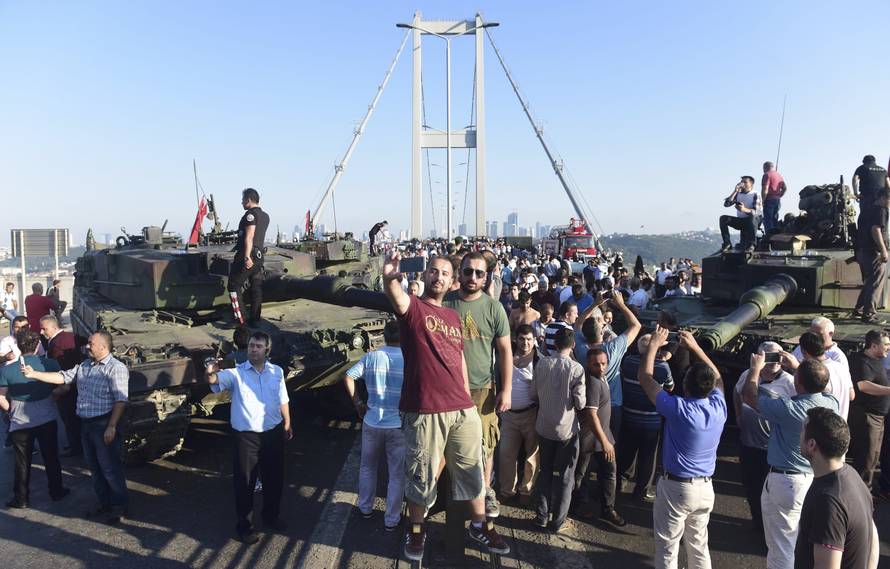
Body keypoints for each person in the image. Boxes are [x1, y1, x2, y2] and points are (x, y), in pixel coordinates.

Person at [382, 252, 509, 562]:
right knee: (422, 473)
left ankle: (479, 524)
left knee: (473, 468)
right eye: (433, 271)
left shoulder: (452, 317)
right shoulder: (414, 308)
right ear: (426, 275)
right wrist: (390, 278)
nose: (438, 277)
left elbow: (459, 359)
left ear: (452, 281)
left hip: (461, 407)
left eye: (444, 273)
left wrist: (467, 401)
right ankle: (416, 529)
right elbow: (397, 297)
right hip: (426, 408)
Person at [639, 327, 726, 569]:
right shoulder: (719, 407)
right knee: (699, 545)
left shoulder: (679, 408)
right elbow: (719, 379)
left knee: (668, 548)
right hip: (705, 487)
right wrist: (696, 347)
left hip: (677, 487)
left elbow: (645, 379)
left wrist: (653, 345)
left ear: (685, 386)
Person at [22, 331, 130, 524]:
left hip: (103, 424)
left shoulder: (116, 368)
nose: (87, 346)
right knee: (95, 468)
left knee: (110, 468)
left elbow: (120, 400)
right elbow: (62, 377)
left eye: (91, 343)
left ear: (103, 347)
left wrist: (112, 426)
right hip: (86, 425)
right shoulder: (85, 365)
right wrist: (34, 374)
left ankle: (119, 506)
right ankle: (105, 503)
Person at [742, 356, 839, 569]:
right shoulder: (831, 402)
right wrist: (799, 369)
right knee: (800, 543)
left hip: (786, 483)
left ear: (798, 383)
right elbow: (821, 386)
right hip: (813, 479)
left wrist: (755, 368)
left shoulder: (789, 409)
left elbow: (749, 396)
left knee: (781, 548)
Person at [205, 330, 291, 544]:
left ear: (267, 350)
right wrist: (210, 372)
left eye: (258, 346)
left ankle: (271, 517)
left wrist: (287, 421)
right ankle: (245, 527)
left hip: (272, 433)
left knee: (274, 479)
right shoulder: (236, 373)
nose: (253, 349)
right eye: (251, 345)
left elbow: (282, 398)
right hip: (247, 438)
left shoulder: (277, 372)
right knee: (245, 483)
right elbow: (215, 380)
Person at [444, 251, 513, 518]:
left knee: (486, 443)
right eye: (468, 271)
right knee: (444, 443)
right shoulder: (445, 302)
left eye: (479, 273)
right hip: (447, 387)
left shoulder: (494, 308)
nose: (472, 277)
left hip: (482, 389)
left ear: (486, 278)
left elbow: (505, 351)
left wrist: (506, 389)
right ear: (459, 273)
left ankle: (485, 490)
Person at [795, 407, 880, 569]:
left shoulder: (828, 501)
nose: (799, 435)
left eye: (802, 431)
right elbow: (872, 535)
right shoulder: (852, 475)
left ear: (812, 444)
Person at [343, 320, 405, 531]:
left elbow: (349, 377)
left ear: (384, 336)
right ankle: (391, 519)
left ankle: (365, 508)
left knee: (368, 467)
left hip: (372, 421)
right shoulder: (409, 360)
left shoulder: (371, 357)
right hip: (397, 424)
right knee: (396, 474)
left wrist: (358, 403)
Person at [0, 331, 68, 508]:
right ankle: (57, 491)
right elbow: (64, 387)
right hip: (47, 418)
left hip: (20, 422)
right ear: (37, 345)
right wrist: (52, 397)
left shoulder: (7, 370)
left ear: (18, 346)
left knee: (22, 462)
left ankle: (21, 498)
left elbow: (1, 398)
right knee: (51, 457)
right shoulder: (49, 364)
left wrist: (10, 411)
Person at [733, 342, 795, 533]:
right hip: (749, 444)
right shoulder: (748, 374)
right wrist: (738, 415)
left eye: (777, 356)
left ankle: (771, 527)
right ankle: (758, 524)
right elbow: (737, 392)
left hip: (774, 449)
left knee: (772, 492)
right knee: (752, 487)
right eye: (768, 356)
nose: (774, 361)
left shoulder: (789, 382)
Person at [531, 327, 586, 533]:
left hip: (544, 426)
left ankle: (541, 516)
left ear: (554, 344)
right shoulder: (576, 368)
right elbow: (580, 403)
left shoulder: (542, 363)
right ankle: (558, 521)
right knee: (565, 476)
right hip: (566, 430)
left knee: (544, 471)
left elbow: (533, 394)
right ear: (573, 345)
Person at [620, 333, 675, 502]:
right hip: (651, 420)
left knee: (626, 451)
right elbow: (670, 387)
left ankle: (620, 481)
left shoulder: (628, 362)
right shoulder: (662, 367)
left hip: (629, 415)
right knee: (648, 457)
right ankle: (641, 490)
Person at [575, 347, 625, 527]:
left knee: (608, 472)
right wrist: (605, 441)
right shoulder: (593, 383)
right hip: (590, 438)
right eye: (596, 364)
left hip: (603, 435)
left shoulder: (601, 378)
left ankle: (608, 508)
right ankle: (580, 506)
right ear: (588, 364)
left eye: (604, 364)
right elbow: (591, 414)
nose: (601, 367)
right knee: (582, 475)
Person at [498, 324, 539, 505]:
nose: (525, 343)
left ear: (534, 340)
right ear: (516, 338)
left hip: (531, 414)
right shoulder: (506, 355)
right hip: (508, 415)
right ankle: (507, 490)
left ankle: (526, 490)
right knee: (506, 454)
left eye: (529, 339)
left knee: (532, 455)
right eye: (522, 339)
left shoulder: (539, 360)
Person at [848, 330, 890, 491]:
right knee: (865, 458)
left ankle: (867, 490)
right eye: (886, 344)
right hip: (867, 417)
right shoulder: (861, 361)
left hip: (878, 417)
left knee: (873, 458)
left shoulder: (876, 360)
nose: (888, 347)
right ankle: (860, 494)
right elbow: (864, 386)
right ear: (873, 346)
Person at [39, 315, 81, 457]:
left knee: (69, 418)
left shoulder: (56, 345)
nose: (41, 332)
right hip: (75, 386)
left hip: (65, 388)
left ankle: (76, 447)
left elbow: (62, 367)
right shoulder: (71, 336)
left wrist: (61, 388)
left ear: (54, 327)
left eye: (44, 329)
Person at [227, 188, 270, 326]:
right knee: (256, 286)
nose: (241, 203)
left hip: (248, 254)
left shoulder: (250, 215)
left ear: (248, 200)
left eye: (243, 200)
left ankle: (240, 320)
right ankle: (255, 319)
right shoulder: (265, 216)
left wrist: (246, 257)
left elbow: (249, 236)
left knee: (233, 285)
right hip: (259, 256)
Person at [790, 332, 854, 420]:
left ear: (803, 351)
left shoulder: (818, 373)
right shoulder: (841, 367)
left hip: (822, 424)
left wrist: (798, 369)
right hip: (841, 424)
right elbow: (851, 396)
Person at [853, 188, 890, 324]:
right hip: (874, 252)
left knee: (870, 281)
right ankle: (869, 315)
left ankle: (860, 309)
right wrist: (883, 250)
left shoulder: (866, 210)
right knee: (875, 283)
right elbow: (876, 230)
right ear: (883, 198)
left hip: (862, 251)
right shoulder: (881, 210)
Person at [720, 175, 762, 252]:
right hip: (741, 221)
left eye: (745, 182)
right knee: (723, 218)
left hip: (752, 222)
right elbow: (726, 204)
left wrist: (744, 209)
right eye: (741, 182)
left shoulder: (755, 194)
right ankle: (727, 243)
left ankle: (752, 244)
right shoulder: (738, 194)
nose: (742, 184)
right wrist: (735, 191)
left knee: (753, 217)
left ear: (751, 184)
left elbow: (757, 212)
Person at [761, 161, 787, 233]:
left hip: (769, 200)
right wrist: (779, 196)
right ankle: (775, 236)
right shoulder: (779, 175)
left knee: (768, 220)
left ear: (765, 167)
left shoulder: (766, 175)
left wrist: (762, 201)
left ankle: (769, 236)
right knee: (774, 219)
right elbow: (785, 188)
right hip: (777, 201)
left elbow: (765, 189)